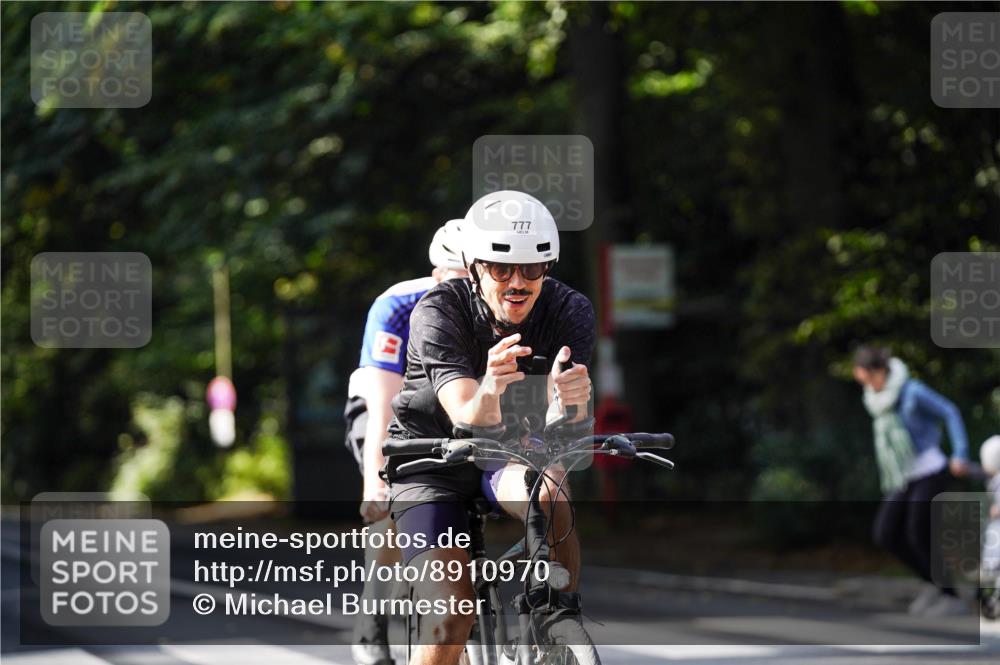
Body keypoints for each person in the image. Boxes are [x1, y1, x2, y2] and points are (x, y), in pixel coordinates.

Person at [383, 190, 595, 665]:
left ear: (548, 269)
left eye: (532, 269)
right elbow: (463, 412)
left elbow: (567, 425)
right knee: (450, 619)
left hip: (507, 455)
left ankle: (557, 622)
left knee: (552, 486)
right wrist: (491, 384)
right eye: (502, 270)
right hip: (429, 462)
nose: (517, 283)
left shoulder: (570, 310)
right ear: (476, 267)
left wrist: (574, 407)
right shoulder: (438, 312)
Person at [344, 220, 468, 665]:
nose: (470, 290)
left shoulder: (501, 302)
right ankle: (371, 623)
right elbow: (385, 404)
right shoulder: (397, 304)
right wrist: (376, 489)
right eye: (459, 279)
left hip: (452, 409)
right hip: (384, 407)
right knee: (394, 507)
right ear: (438, 276)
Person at [852, 345, 971, 617]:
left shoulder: (911, 390)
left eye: (866, 377)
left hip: (930, 469)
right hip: (902, 475)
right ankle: (932, 582)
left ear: (879, 371)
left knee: (918, 533)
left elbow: (950, 411)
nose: (865, 384)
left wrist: (960, 454)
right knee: (886, 533)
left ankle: (950, 595)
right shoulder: (876, 399)